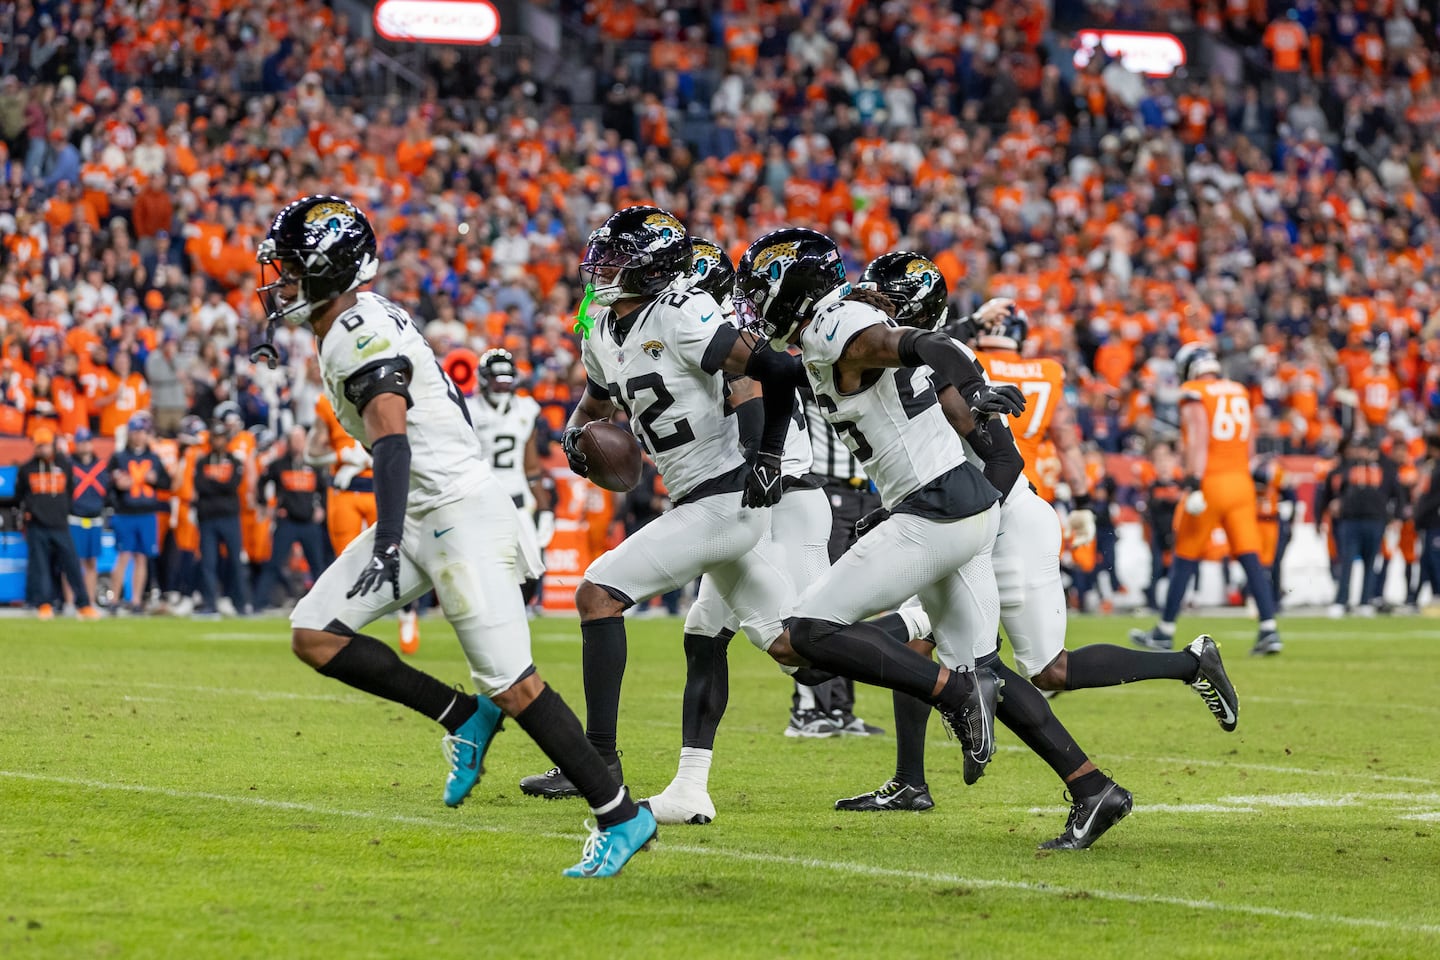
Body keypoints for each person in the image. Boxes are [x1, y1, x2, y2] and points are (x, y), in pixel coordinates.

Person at [259, 194, 652, 877]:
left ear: (328, 268)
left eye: (292, 268)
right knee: (316, 633)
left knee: (514, 684)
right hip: (422, 509)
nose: (281, 281)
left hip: (455, 515)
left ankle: (622, 814)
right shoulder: (354, 317)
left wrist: (385, 538)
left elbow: (389, 431)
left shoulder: (355, 328)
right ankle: (458, 714)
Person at [833, 256, 1236, 842]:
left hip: (1004, 516)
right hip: (952, 518)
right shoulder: (891, 362)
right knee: (925, 644)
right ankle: (913, 781)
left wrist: (962, 526)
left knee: (1048, 669)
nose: (868, 308)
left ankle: (1188, 666)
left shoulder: (947, 362)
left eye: (882, 299)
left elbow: (1005, 460)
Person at [517, 206, 807, 815]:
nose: (601, 268)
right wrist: (577, 439)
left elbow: (769, 371)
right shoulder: (600, 327)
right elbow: (592, 407)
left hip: (726, 495)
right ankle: (936, 666)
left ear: (651, 267)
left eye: (617, 258)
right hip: (696, 496)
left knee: (597, 592)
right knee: (790, 646)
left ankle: (596, 761)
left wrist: (766, 454)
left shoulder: (681, 311)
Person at [690, 236, 889, 743]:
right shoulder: (731, 334)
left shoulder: (729, 333)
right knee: (704, 631)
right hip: (764, 495)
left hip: (785, 496)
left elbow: (756, 393)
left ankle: (927, 657)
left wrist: (763, 456)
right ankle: (682, 778)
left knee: (811, 642)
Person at [1132, 343, 1282, 657]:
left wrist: (1194, 481)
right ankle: (1269, 628)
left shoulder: (1195, 391)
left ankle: (1165, 630)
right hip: (1241, 483)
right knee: (1250, 557)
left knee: (1185, 556)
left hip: (1211, 482)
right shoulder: (1238, 390)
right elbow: (1251, 443)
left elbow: (1198, 438)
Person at [466, 348, 552, 607]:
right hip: (478, 500)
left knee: (532, 568)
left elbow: (532, 466)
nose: (502, 385)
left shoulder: (526, 409)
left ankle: (517, 612)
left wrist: (545, 509)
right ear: (483, 379)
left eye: (507, 379)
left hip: (516, 500)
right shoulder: (468, 410)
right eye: (497, 379)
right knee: (479, 566)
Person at [17, 427, 99, 620]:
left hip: (61, 524)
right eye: (39, 446)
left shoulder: (65, 464)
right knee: (40, 567)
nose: (42, 449)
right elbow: (20, 496)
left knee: (72, 564)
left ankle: (84, 605)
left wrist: (63, 512)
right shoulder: (26, 469)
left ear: (52, 444)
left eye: (45, 445)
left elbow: (70, 492)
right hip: (37, 525)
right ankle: (43, 604)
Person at [1321, 431, 1402, 617]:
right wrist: (1334, 502)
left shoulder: (1385, 469)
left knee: (1370, 562)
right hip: (1351, 520)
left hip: (1375, 520)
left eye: (1365, 449)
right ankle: (1342, 600)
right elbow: (1331, 489)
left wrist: (1396, 517)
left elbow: (1398, 494)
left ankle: (1365, 600)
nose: (1361, 453)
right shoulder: (1346, 468)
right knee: (1347, 561)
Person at [255, 425, 329, 610]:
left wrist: (322, 509)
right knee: (274, 564)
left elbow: (325, 489)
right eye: (294, 439)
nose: (297, 443)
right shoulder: (279, 464)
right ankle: (258, 603)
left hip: (308, 522)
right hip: (287, 521)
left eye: (300, 439)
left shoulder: (313, 465)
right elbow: (262, 481)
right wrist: (264, 505)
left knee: (317, 566)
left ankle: (324, 605)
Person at [108, 411, 169, 613]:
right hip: (126, 512)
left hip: (146, 513)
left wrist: (155, 480)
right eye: (135, 432)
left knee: (142, 558)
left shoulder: (153, 458)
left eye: (142, 432)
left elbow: (165, 483)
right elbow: (108, 485)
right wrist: (118, 486)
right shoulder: (119, 457)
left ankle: (135, 600)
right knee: (123, 556)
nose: (138, 436)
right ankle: (114, 599)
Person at [192, 416, 249, 618]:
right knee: (208, 562)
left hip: (229, 517)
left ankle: (241, 603)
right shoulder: (202, 462)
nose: (218, 441)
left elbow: (232, 484)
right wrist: (219, 485)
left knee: (235, 561)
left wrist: (213, 484)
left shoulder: (234, 460)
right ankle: (210, 603)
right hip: (208, 518)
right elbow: (200, 485)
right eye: (215, 437)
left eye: (221, 437)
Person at [66, 426, 109, 607]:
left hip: (95, 518)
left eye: (87, 441)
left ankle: (89, 602)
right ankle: (70, 602)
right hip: (75, 518)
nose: (84, 446)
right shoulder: (69, 465)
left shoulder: (101, 467)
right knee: (72, 562)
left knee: (92, 562)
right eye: (81, 442)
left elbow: (107, 491)